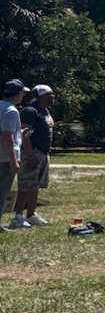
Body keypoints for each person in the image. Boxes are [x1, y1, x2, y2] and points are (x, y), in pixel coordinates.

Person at [15, 84, 55, 226]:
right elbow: (23, 134)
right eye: (50, 94)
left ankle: (31, 215)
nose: (53, 96)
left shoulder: (45, 111)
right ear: (42, 96)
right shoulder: (30, 111)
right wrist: (30, 155)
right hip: (31, 153)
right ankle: (18, 217)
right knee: (25, 186)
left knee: (35, 185)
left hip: (43, 153)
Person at [1, 80, 28, 232]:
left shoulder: (1, 107)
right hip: (4, 158)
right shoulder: (11, 110)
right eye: (23, 93)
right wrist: (13, 161)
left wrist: (20, 134)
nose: (23, 96)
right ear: (18, 94)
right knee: (2, 191)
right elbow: (6, 136)